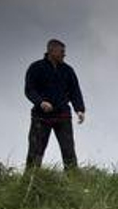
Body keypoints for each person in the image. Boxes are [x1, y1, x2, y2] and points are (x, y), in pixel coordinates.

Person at [24, 39, 85, 170]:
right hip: (41, 117)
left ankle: (74, 183)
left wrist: (79, 109)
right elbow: (29, 90)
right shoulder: (36, 68)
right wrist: (41, 102)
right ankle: (29, 183)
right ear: (51, 51)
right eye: (62, 52)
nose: (64, 55)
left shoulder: (68, 70)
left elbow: (75, 90)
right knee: (35, 152)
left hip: (63, 116)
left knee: (69, 152)